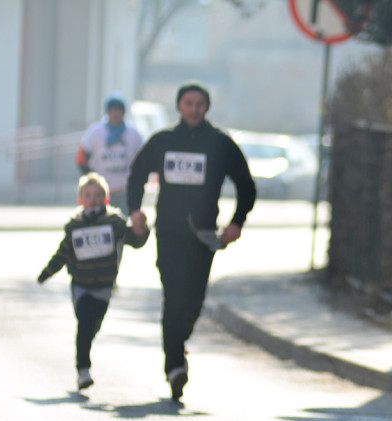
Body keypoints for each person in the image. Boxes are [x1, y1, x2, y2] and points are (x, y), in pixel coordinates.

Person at [126, 82, 256, 401]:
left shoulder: (220, 143)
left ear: (207, 107)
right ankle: (174, 367)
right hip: (168, 233)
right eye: (188, 103)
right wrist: (135, 211)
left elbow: (246, 186)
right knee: (173, 299)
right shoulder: (164, 141)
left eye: (200, 103)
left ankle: (177, 344)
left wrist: (237, 222)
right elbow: (137, 174)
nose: (194, 109)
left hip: (203, 237)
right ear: (179, 106)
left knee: (193, 302)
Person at [37, 173, 149, 390]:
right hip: (81, 284)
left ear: (106, 199)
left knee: (92, 326)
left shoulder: (114, 222)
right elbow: (62, 254)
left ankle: (85, 354)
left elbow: (134, 241)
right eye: (88, 195)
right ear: (80, 199)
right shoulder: (74, 226)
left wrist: (141, 229)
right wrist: (46, 274)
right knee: (85, 323)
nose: (93, 199)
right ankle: (83, 369)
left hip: (104, 286)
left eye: (98, 195)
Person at [76, 93, 143, 215]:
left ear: (123, 112)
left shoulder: (133, 134)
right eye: (112, 111)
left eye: (119, 111)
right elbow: (81, 159)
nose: (115, 114)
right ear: (107, 112)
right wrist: (92, 181)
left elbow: (142, 161)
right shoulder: (95, 132)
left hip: (124, 190)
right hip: (99, 194)